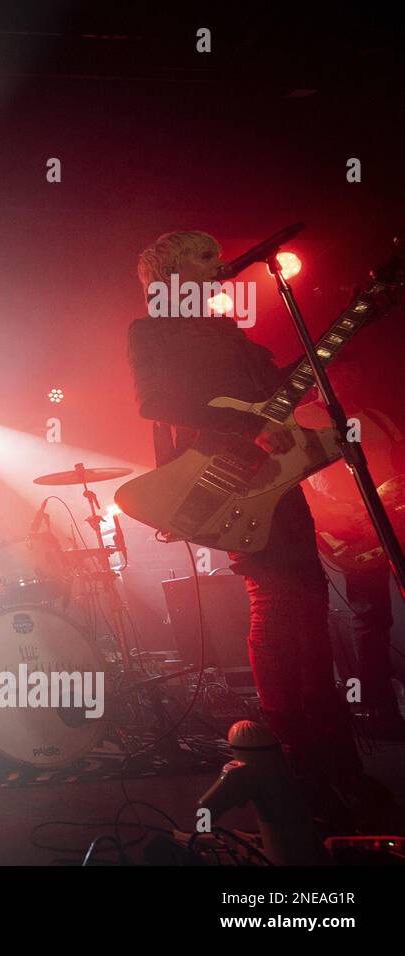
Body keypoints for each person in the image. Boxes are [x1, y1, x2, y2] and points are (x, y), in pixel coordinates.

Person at [126, 230, 392, 829]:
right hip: (226, 475)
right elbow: (155, 402)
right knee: (277, 602)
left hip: (275, 477)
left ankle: (330, 755)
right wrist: (242, 429)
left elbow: (279, 392)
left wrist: (352, 322)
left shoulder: (226, 332)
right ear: (169, 273)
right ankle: (297, 756)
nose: (220, 264)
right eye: (204, 257)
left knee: (307, 601)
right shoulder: (152, 330)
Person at [299, 359, 405, 738]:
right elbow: (299, 480)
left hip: (393, 518)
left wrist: (396, 487)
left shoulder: (376, 416)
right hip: (349, 528)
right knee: (371, 618)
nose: (348, 376)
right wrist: (335, 513)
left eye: (353, 369)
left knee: (376, 619)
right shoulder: (302, 418)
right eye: (339, 370)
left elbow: (398, 460)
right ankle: (380, 710)